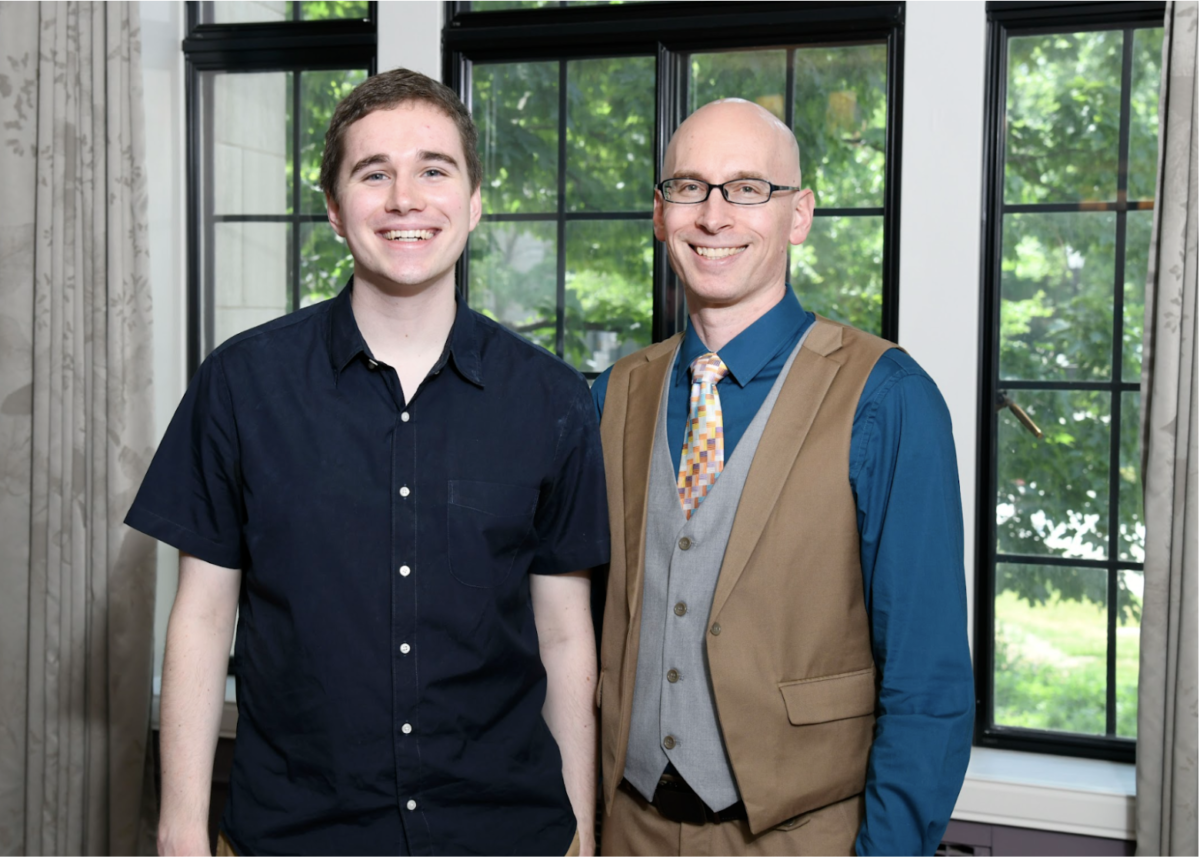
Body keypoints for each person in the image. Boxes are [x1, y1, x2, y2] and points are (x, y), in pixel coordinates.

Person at [127, 68, 608, 857]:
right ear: (335, 209)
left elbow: (563, 636)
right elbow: (204, 615)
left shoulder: (553, 397)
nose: (405, 198)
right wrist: (180, 831)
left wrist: (582, 831)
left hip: (506, 835)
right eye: (373, 173)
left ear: (475, 200)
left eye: (433, 170)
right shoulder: (241, 384)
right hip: (295, 835)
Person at [590, 98, 974, 856]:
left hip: (804, 837)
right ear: (661, 215)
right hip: (626, 828)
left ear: (798, 215)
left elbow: (928, 684)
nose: (713, 215)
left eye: (746, 188)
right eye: (689, 187)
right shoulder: (611, 395)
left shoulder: (887, 396)